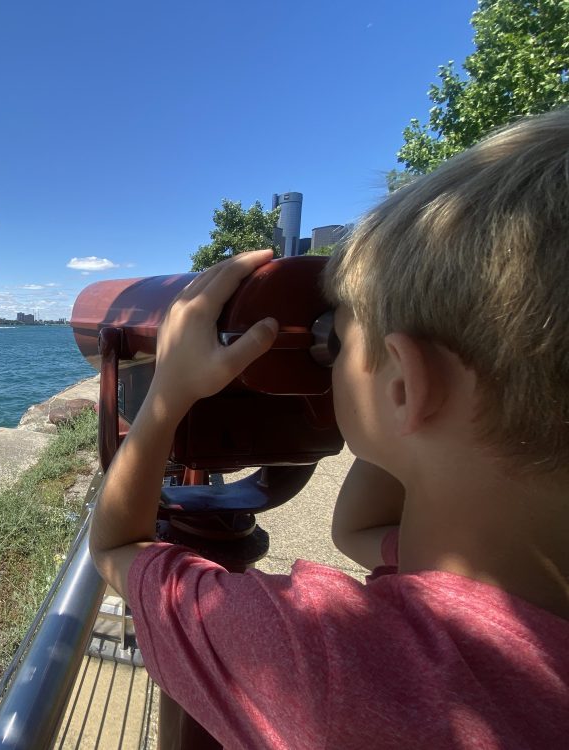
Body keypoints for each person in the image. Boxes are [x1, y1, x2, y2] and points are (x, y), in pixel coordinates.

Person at [89, 108, 569, 749]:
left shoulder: (322, 661)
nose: (326, 358)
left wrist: (167, 396)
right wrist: (396, 400)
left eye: (335, 340)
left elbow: (116, 548)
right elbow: (360, 533)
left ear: (404, 387)